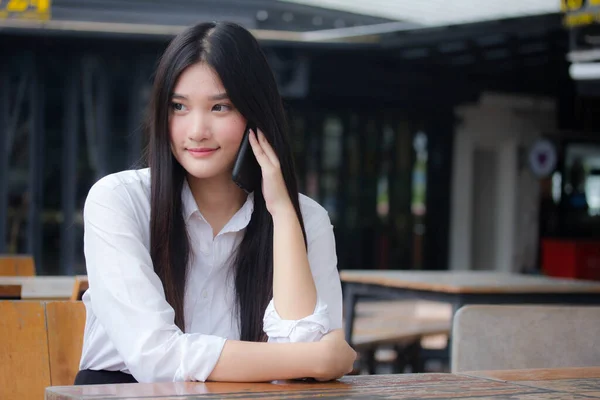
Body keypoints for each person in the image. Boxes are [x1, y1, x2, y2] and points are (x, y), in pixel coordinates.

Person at [74, 21, 356, 385]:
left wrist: (284, 215)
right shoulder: (118, 201)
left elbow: (304, 373)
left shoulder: (307, 219)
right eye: (179, 106)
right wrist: (314, 360)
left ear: (255, 115)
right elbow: (156, 358)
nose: (196, 130)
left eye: (220, 107)